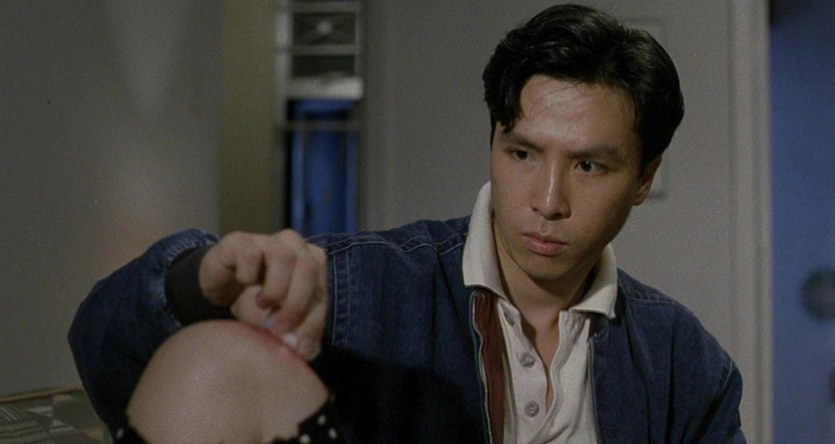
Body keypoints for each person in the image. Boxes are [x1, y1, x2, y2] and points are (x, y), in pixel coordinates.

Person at [69, 4, 745, 443]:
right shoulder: (357, 286)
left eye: (589, 166)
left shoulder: (684, 362)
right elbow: (104, 348)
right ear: (494, 141)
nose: (547, 199)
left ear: (644, 178)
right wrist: (195, 283)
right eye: (521, 154)